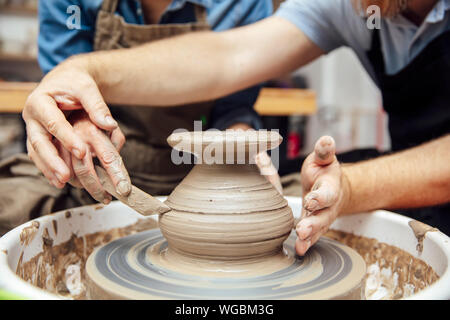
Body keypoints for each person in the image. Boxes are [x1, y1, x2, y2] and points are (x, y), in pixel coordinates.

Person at [22, 0, 450, 254]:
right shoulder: (351, 6)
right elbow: (227, 57)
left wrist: (353, 187)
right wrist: (81, 71)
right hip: (108, 164)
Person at [0, 0, 280, 235]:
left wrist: (237, 138)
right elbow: (65, 91)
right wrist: (75, 122)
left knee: (303, 211)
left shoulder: (242, 4)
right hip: (97, 176)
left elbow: (234, 104)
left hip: (206, 183)